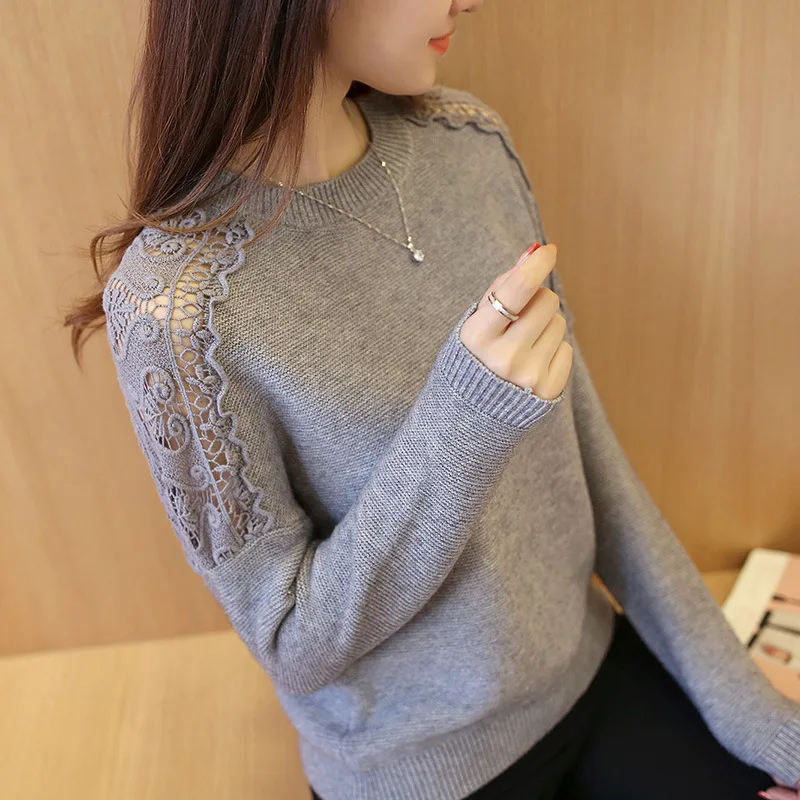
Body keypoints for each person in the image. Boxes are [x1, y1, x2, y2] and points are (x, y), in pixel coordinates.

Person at [64, 1, 800, 798]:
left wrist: (754, 712)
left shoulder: (468, 144)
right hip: (418, 774)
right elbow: (292, 643)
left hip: (591, 672)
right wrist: (464, 422)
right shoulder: (177, 310)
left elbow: (591, 462)